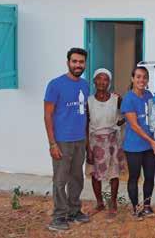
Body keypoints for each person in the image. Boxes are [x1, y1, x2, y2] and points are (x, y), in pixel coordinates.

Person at [44, 47, 90, 231]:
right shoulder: (55, 85)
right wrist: (52, 143)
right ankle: (58, 216)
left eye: (81, 62)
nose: (78, 65)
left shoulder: (85, 85)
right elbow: (47, 115)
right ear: (68, 62)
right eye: (75, 61)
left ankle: (74, 211)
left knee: (77, 178)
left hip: (79, 140)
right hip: (62, 141)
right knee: (60, 180)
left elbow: (85, 114)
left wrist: (86, 140)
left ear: (85, 64)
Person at [121, 66, 155, 220]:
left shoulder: (149, 95)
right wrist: (151, 140)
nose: (141, 80)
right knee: (134, 177)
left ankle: (147, 206)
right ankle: (136, 208)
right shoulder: (128, 98)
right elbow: (135, 125)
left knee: (150, 177)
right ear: (132, 79)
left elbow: (153, 117)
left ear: (147, 80)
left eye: (144, 77)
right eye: (138, 77)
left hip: (149, 145)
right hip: (134, 146)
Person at [85, 68, 125, 217]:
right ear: (94, 81)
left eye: (106, 79)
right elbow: (86, 124)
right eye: (99, 79)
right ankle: (100, 203)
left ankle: (113, 203)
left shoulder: (116, 99)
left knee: (114, 174)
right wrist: (87, 147)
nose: (102, 82)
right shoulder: (89, 101)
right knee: (96, 174)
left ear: (109, 82)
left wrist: (120, 122)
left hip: (113, 141)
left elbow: (128, 112)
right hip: (95, 141)